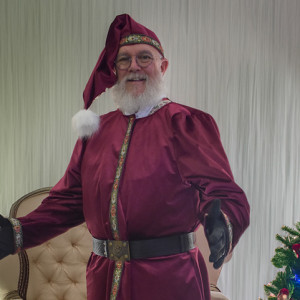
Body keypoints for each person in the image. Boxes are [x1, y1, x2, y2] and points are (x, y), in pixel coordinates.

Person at [0, 14, 250, 300]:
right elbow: (69, 200)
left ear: (162, 66)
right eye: (124, 60)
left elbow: (225, 194)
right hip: (104, 280)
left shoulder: (187, 123)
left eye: (144, 57)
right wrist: (16, 232)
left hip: (170, 281)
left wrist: (224, 224)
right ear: (114, 70)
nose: (134, 67)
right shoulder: (94, 132)